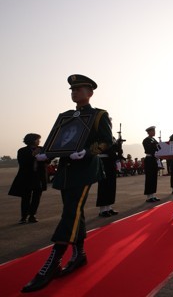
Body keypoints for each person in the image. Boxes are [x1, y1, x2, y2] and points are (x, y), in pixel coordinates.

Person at [21, 74, 112, 293]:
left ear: (89, 93)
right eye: (72, 90)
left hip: (84, 169)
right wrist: (46, 153)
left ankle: (53, 261)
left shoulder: (98, 115)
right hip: (66, 171)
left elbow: (107, 142)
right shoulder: (66, 116)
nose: (74, 93)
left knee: (71, 212)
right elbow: (56, 139)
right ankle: (79, 254)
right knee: (74, 211)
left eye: (79, 89)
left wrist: (88, 151)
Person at [8, 133, 47, 224]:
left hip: (39, 177)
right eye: (37, 139)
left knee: (36, 197)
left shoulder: (42, 149)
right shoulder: (22, 151)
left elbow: (47, 160)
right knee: (25, 197)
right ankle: (24, 216)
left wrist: (44, 158)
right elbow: (22, 162)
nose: (39, 141)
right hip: (27, 177)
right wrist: (33, 155)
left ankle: (32, 215)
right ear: (32, 140)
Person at [96, 119, 122, 217]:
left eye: (110, 124)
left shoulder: (113, 137)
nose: (109, 125)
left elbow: (116, 150)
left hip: (111, 162)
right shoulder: (100, 136)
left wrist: (119, 146)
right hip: (104, 161)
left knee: (111, 184)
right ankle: (102, 209)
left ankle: (109, 207)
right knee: (103, 185)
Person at [143, 126, 160, 202]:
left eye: (154, 131)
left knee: (154, 178)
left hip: (154, 160)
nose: (154, 132)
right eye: (153, 131)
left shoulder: (154, 140)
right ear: (149, 132)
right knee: (149, 178)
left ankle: (153, 195)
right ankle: (148, 196)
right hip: (149, 159)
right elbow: (148, 149)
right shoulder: (146, 140)